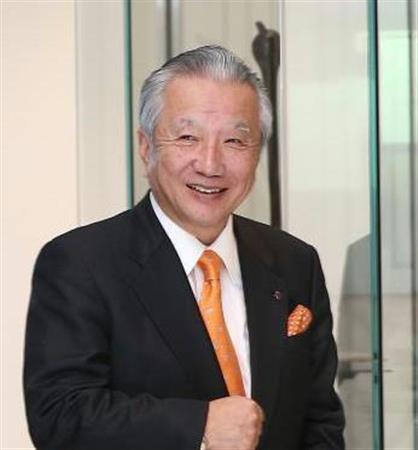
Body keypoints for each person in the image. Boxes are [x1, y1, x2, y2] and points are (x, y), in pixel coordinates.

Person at [24, 45, 345, 450]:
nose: (210, 164)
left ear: (257, 154)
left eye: (234, 140)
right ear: (146, 146)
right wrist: (200, 427)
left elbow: (320, 421)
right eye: (188, 137)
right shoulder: (80, 263)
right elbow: (60, 415)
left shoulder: (294, 261)